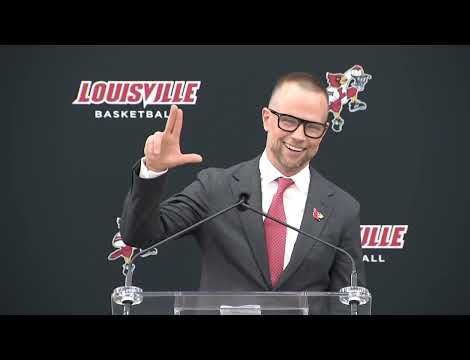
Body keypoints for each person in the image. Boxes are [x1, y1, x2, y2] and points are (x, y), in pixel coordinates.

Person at [120, 72, 366, 296]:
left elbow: (350, 302)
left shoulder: (342, 209)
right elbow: (139, 235)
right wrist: (153, 170)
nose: (299, 136)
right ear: (266, 119)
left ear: (323, 133)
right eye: (288, 121)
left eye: (312, 127)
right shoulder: (216, 188)